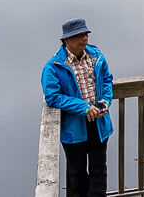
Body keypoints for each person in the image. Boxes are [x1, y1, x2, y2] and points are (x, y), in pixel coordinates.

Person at [41, 18, 114, 197]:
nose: (84, 38)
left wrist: (105, 100)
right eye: (78, 35)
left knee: (99, 171)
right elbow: (53, 97)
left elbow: (107, 80)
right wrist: (84, 107)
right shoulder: (53, 67)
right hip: (74, 127)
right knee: (77, 174)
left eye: (85, 34)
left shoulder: (96, 57)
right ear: (66, 40)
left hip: (98, 123)